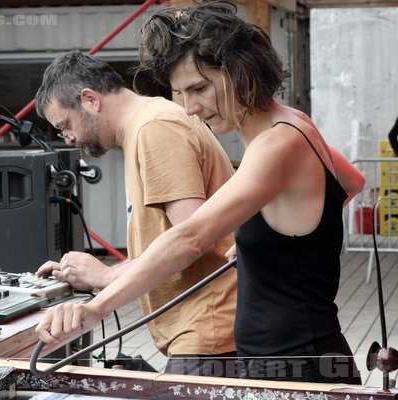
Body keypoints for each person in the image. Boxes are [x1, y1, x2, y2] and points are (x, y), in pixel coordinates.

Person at [35, 2, 366, 385]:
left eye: (199, 88)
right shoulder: (296, 124)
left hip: (297, 369)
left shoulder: (277, 144)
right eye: (181, 93)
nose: (190, 108)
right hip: (290, 360)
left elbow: (190, 237)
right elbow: (350, 180)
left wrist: (97, 308)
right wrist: (276, 239)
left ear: (241, 72)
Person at [34, 50, 238, 376]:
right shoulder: (147, 127)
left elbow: (193, 239)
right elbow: (171, 241)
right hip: (200, 334)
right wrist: (101, 274)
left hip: (209, 331)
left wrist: (107, 279)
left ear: (90, 99)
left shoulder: (155, 128)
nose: (68, 139)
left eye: (65, 125)